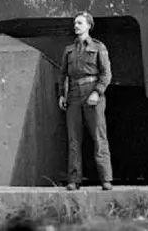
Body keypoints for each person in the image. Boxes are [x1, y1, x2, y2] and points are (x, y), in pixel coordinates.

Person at [58, 11, 113, 191]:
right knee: (74, 139)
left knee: (99, 136)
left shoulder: (98, 47)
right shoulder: (68, 50)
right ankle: (74, 180)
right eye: (75, 23)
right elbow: (63, 74)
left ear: (89, 25)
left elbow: (106, 74)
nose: (76, 26)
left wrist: (97, 92)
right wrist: (62, 95)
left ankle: (106, 179)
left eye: (80, 23)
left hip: (92, 92)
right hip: (73, 93)